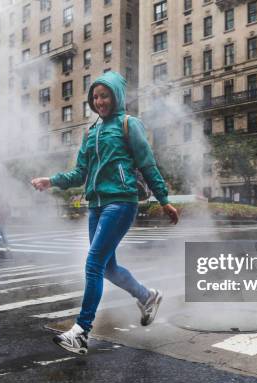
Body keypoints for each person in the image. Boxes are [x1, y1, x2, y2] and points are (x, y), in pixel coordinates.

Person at [32, 71, 179, 355]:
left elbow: (147, 164)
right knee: (108, 268)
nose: (99, 101)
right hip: (96, 206)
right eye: (95, 97)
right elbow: (79, 173)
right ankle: (147, 297)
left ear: (116, 97)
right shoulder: (92, 132)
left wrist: (163, 199)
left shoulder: (128, 124)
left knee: (93, 264)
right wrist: (51, 181)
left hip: (121, 202)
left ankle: (81, 331)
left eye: (105, 95)